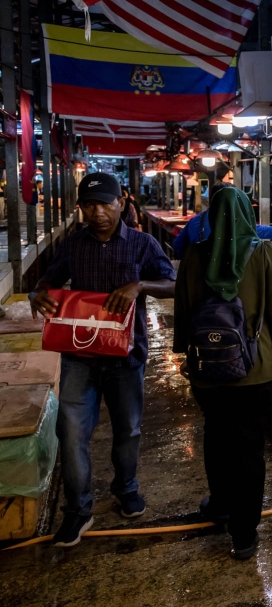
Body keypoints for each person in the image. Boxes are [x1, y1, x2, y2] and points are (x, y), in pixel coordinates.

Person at [29, 172, 176, 547]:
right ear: (81, 209)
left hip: (127, 358)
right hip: (79, 357)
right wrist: (38, 294)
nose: (98, 213)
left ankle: (126, 488)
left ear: (121, 204)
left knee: (128, 429)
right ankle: (78, 510)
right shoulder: (73, 246)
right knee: (72, 431)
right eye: (89, 206)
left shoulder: (142, 244)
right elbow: (48, 281)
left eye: (105, 204)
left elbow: (173, 283)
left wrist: (140, 285)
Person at [173, 187, 272, 560]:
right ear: (248, 214)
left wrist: (185, 354)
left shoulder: (195, 255)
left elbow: (183, 309)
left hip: (207, 369)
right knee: (249, 446)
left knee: (216, 435)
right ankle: (243, 535)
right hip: (255, 369)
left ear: (211, 215)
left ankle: (221, 506)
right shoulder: (263, 252)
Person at [173, 182, 272, 259]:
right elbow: (256, 230)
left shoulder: (195, 220)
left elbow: (178, 245)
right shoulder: (231, 218)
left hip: (197, 277)